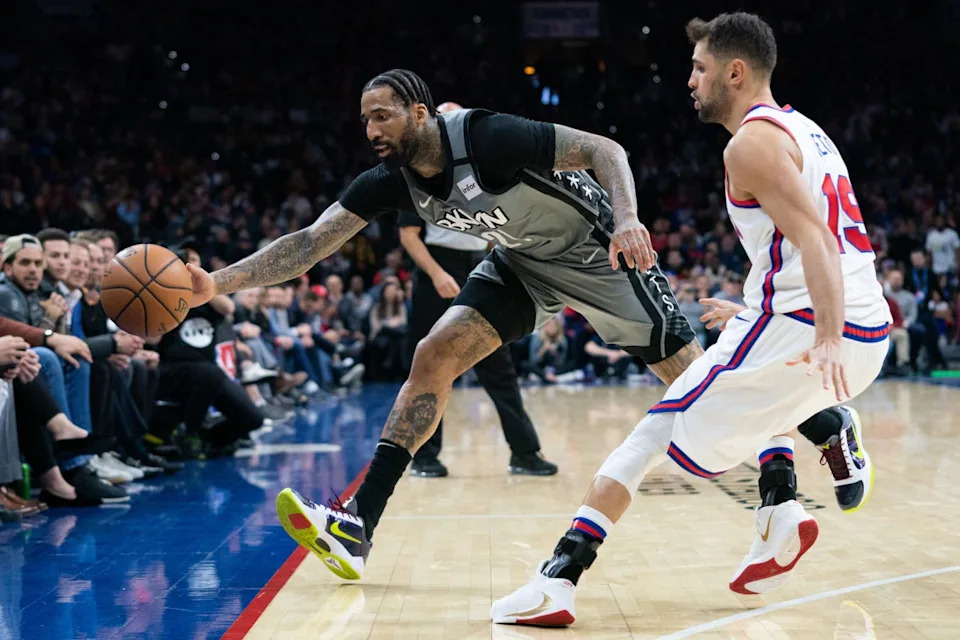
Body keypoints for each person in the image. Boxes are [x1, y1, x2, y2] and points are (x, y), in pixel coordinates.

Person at [185, 67, 871, 583]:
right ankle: (357, 524)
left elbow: (606, 151)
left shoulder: (486, 137)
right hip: (523, 262)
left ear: (419, 112)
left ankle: (825, 424)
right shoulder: (391, 181)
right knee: (433, 354)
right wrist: (215, 284)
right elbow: (308, 243)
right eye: (364, 119)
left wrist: (629, 220)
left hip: (599, 252)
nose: (371, 130)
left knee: (695, 381)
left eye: (383, 115)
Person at [490, 13, 892, 626]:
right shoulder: (806, 130)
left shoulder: (749, 144)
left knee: (647, 438)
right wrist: (761, 310)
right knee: (752, 400)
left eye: (700, 69)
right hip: (859, 330)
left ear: (736, 72)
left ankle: (557, 582)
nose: (690, 81)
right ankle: (780, 511)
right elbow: (815, 241)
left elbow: (817, 239)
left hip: (818, 332)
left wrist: (825, 336)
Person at [398, 99, 555, 477]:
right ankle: (423, 457)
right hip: (436, 269)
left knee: (498, 365)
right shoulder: (418, 172)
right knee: (430, 369)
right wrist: (436, 274)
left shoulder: (481, 170)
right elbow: (408, 234)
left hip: (476, 267)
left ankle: (525, 452)